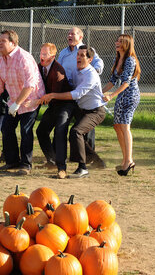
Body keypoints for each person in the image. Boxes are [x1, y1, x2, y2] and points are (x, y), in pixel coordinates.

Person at [39, 45, 106, 178]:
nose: (78, 58)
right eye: (78, 55)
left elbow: (76, 94)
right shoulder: (76, 70)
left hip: (95, 111)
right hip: (80, 108)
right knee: (72, 134)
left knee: (76, 132)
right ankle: (95, 160)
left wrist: (53, 95)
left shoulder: (91, 75)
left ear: (90, 59)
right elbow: (69, 84)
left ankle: (83, 168)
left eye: (82, 55)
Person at [0, 29, 45, 175]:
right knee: (6, 128)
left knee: (25, 130)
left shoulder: (24, 58)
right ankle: (12, 161)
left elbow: (30, 85)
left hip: (30, 100)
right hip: (14, 100)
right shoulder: (2, 59)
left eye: (3, 41)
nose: (0, 44)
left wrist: (18, 103)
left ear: (13, 43)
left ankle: (25, 165)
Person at [57, 27, 106, 169]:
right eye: (69, 33)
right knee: (72, 129)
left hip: (84, 97)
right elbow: (59, 68)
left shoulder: (87, 51)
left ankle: (87, 161)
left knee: (81, 130)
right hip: (70, 93)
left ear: (81, 36)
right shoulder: (64, 53)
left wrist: (89, 75)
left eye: (73, 33)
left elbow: (99, 64)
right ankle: (83, 158)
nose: (70, 35)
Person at [102, 34, 141, 176]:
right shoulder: (118, 59)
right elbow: (113, 81)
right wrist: (100, 92)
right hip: (121, 96)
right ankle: (125, 159)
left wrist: (111, 96)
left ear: (127, 44)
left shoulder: (130, 60)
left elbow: (126, 83)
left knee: (124, 127)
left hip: (130, 96)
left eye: (120, 41)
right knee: (117, 127)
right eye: (117, 41)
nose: (116, 43)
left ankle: (129, 161)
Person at [35, 43, 75, 179]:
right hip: (53, 104)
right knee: (41, 131)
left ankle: (61, 168)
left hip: (65, 104)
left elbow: (51, 95)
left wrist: (34, 102)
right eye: (41, 53)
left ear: (52, 56)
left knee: (60, 132)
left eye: (45, 54)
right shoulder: (39, 67)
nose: (42, 56)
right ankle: (51, 161)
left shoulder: (58, 71)